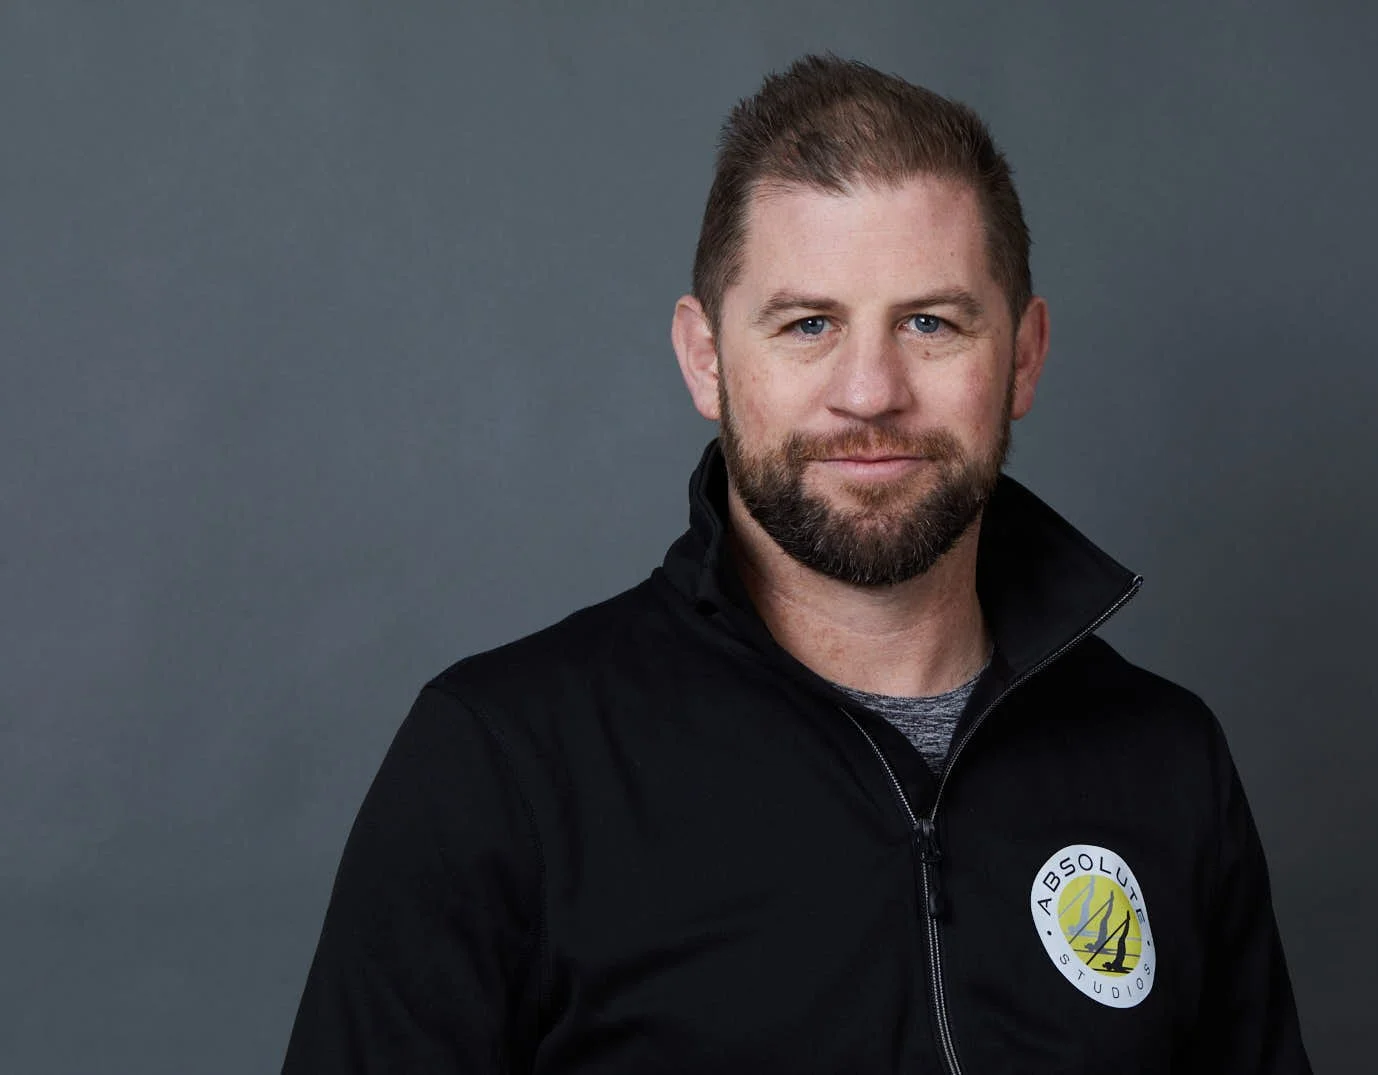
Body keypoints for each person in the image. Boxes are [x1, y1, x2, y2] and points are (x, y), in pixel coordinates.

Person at [283, 54, 1311, 1074]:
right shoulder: (502, 764)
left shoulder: (1163, 762)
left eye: (929, 322)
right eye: (808, 324)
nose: (869, 391)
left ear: (1024, 356)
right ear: (706, 358)